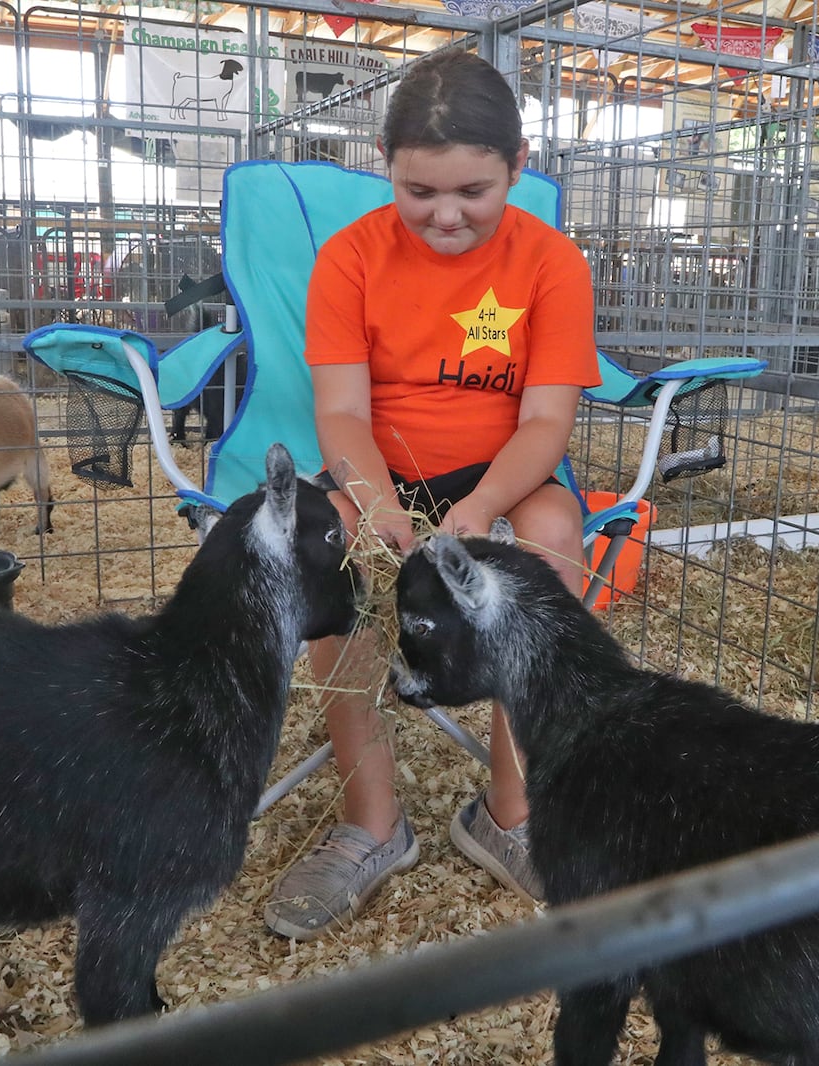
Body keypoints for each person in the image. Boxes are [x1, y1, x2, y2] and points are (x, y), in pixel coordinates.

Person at [263, 49, 601, 940]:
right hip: (381, 466)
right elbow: (338, 410)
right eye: (420, 192)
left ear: (516, 169)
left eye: (473, 192)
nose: (446, 215)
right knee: (324, 547)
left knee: (555, 534)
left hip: (504, 474)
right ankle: (372, 825)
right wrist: (378, 510)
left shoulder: (553, 263)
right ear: (387, 163)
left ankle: (511, 814)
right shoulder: (351, 258)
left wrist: (482, 508)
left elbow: (545, 427)